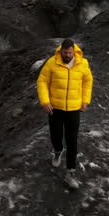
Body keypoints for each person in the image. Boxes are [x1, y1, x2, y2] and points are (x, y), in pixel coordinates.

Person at [35, 38, 94, 189]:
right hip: (55, 107)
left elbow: (88, 81)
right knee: (55, 134)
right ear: (60, 50)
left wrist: (85, 101)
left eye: (69, 53)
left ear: (74, 51)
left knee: (72, 140)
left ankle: (70, 172)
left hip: (74, 108)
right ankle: (57, 151)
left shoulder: (82, 64)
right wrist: (45, 101)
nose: (66, 55)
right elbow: (42, 81)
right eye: (64, 52)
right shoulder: (52, 63)